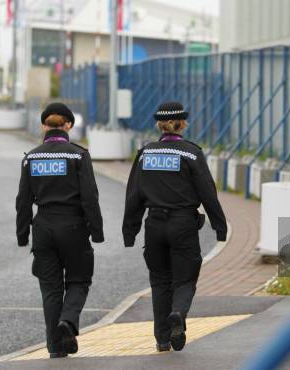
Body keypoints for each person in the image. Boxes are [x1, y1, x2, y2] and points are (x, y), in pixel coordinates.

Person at [122, 101, 227, 352]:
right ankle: (178, 314)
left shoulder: (146, 153)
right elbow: (207, 193)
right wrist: (220, 227)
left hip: (154, 225)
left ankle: (162, 339)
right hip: (183, 224)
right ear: (182, 124)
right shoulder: (192, 153)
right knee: (185, 278)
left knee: (159, 282)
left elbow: (134, 194)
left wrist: (130, 231)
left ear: (159, 124)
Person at [15, 102, 104, 358]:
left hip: (42, 229)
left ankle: (55, 348)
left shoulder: (31, 157)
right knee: (78, 280)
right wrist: (96, 231)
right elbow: (90, 197)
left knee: (51, 289)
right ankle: (68, 321)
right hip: (74, 227)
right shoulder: (78, 155)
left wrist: (23, 235)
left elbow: (23, 201)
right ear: (68, 126)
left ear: (44, 125)